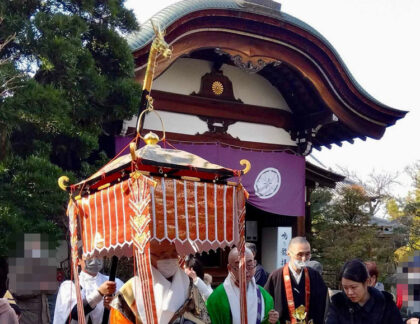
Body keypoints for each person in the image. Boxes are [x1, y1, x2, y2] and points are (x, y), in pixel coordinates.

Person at [110, 240, 210, 324]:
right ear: (147, 257)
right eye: (163, 255)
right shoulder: (129, 293)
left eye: (174, 253)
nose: (170, 259)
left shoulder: (190, 287)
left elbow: (204, 319)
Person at [206, 247, 279, 324]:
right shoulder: (216, 299)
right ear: (229, 268)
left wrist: (271, 320)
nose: (246, 271)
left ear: (255, 263)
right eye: (240, 267)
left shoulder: (264, 296)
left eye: (250, 265)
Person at [53, 245, 124, 324]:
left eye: (98, 255)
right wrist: (99, 293)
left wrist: (116, 305)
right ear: (78, 260)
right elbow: (75, 314)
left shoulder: (116, 282)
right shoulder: (69, 287)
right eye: (89, 255)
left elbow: (129, 311)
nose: (95, 259)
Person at [264, 236, 327, 324]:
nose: (304, 258)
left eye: (307, 254)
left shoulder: (314, 276)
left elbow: (322, 305)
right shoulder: (276, 276)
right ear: (289, 253)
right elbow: (266, 304)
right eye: (300, 254)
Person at [326, 259, 403, 324]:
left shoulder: (385, 303)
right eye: (345, 288)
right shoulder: (338, 302)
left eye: (354, 287)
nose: (349, 292)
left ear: (367, 282)